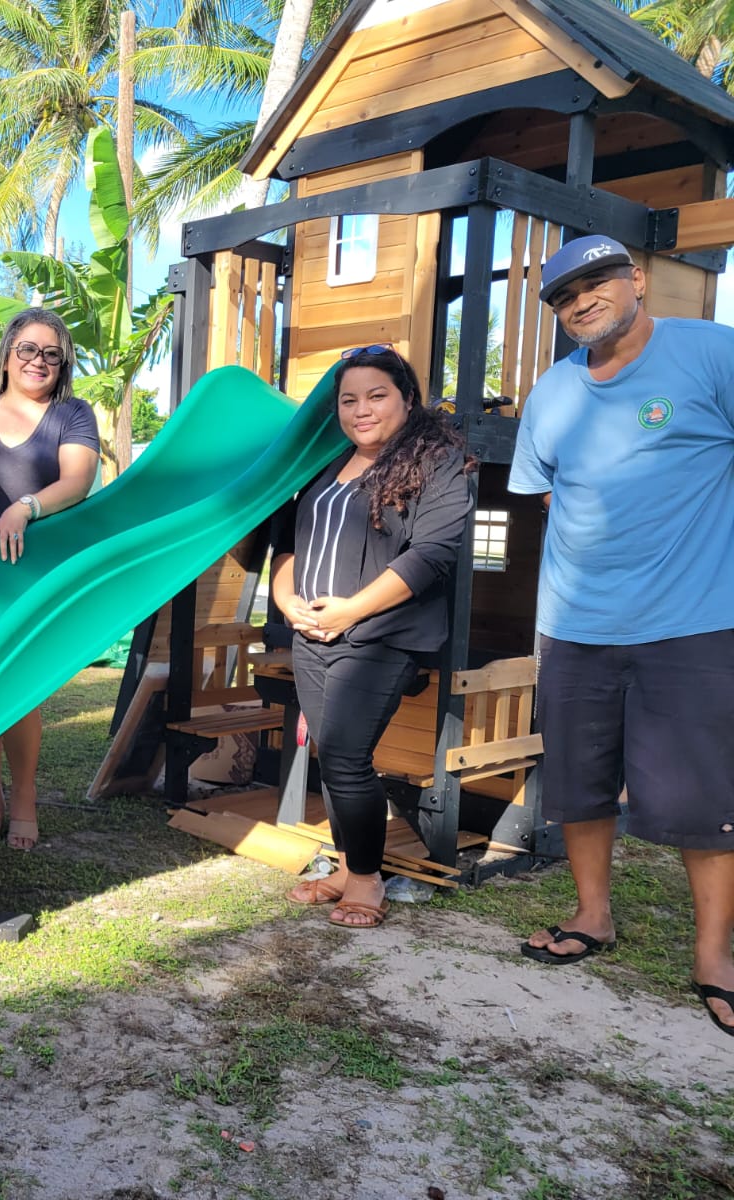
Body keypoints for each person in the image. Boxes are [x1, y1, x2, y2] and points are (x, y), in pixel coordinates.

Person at [509, 234, 734, 1038]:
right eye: (565, 296)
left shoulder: (712, 353)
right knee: (579, 780)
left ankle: (715, 958)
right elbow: (545, 498)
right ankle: (592, 916)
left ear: (637, 280)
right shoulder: (552, 393)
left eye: (598, 282)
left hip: (694, 620)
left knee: (704, 796)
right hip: (575, 625)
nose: (581, 302)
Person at [269, 346, 474, 929]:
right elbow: (285, 544)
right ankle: (346, 866)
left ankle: (366, 881)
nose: (362, 409)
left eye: (377, 395)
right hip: (312, 632)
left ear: (407, 399)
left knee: (344, 754)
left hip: (383, 635)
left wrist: (351, 611)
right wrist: (288, 602)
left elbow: (432, 554)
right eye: (349, 399)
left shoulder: (437, 463)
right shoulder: (323, 464)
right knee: (332, 759)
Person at [0, 309, 100, 851]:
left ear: (62, 365)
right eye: (28, 350)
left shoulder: (72, 414)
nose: (38, 361)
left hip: (33, 575)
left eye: (51, 354)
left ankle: (25, 800)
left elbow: (79, 480)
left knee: (22, 695)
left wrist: (26, 507)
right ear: (8, 354)